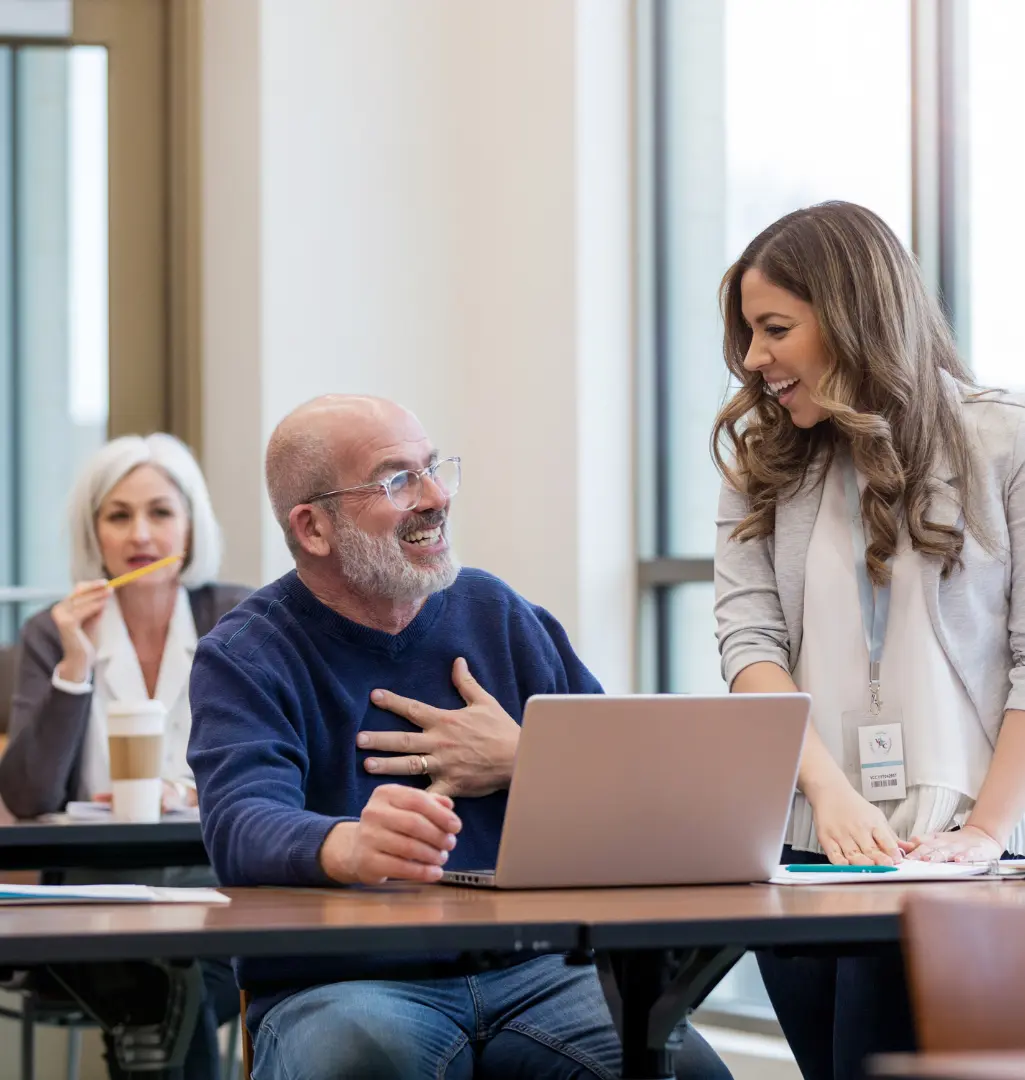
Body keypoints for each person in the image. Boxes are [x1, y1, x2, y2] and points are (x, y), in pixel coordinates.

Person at [187, 394, 731, 1080]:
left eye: (434, 468)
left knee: (689, 1072)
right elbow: (239, 823)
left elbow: (624, 779)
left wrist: (522, 759)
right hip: (346, 982)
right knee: (356, 1062)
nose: (436, 497)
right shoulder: (246, 653)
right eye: (397, 480)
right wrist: (347, 844)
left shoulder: (497, 614)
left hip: (536, 971)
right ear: (313, 528)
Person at [712, 201, 1025, 1080]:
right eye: (749, 335)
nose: (756, 359)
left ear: (851, 315)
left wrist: (988, 830)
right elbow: (747, 645)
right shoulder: (762, 462)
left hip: (981, 859)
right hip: (815, 848)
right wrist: (831, 797)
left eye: (775, 329)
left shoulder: (1010, 438)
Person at [0, 433, 249, 1080]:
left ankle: (149, 1019)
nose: (141, 533)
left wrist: (186, 795)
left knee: (174, 974)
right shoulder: (50, 636)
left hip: (211, 881)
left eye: (161, 512)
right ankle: (156, 1009)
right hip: (91, 888)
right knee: (175, 974)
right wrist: (74, 666)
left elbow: (276, 764)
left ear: (190, 528)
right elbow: (28, 796)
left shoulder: (240, 619)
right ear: (95, 534)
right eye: (119, 515)